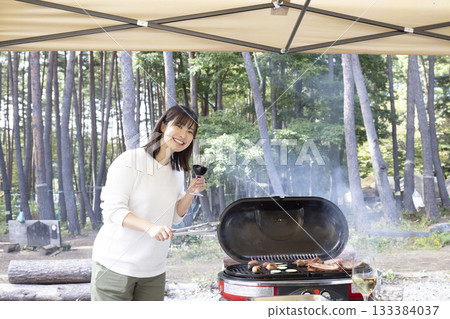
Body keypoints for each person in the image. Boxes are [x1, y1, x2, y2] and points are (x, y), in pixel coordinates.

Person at [91, 105, 205, 301]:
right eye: (179, 126)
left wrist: (190, 193)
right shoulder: (131, 160)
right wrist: (150, 227)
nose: (184, 135)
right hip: (115, 266)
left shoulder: (177, 171)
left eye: (190, 132)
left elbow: (175, 218)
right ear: (163, 126)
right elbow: (113, 210)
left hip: (153, 271)